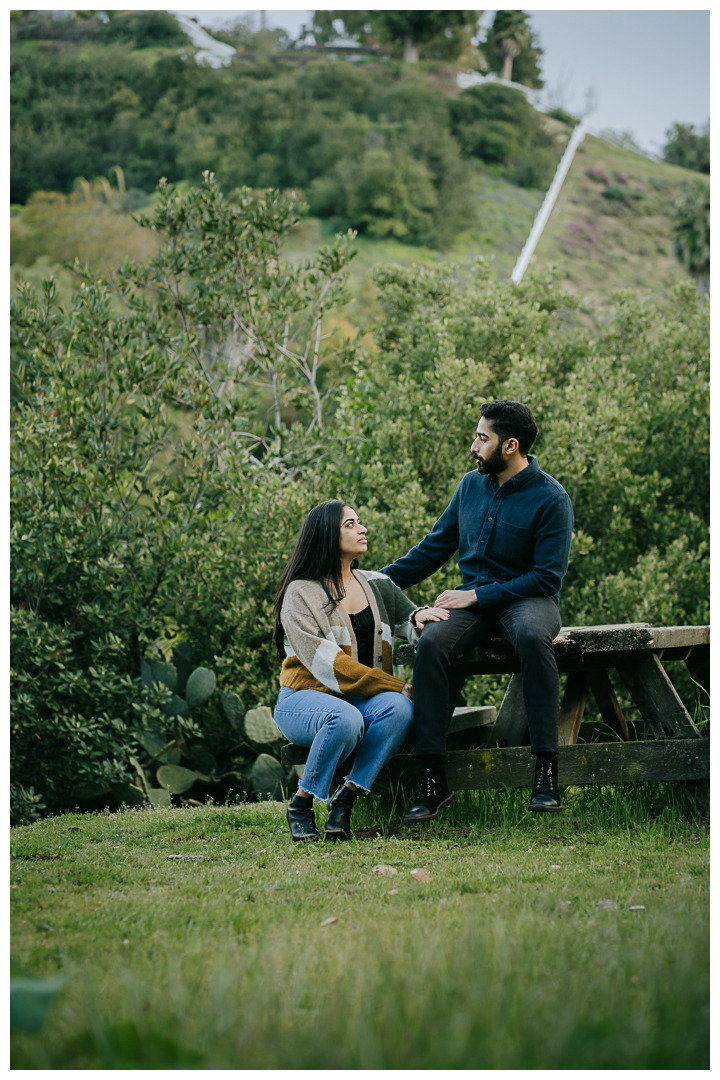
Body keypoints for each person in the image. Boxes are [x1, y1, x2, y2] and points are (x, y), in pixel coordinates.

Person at [380, 399, 574, 820]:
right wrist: (372, 583)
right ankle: (431, 777)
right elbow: (433, 548)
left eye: (482, 438)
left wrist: (476, 596)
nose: (473, 446)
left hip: (530, 601)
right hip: (474, 604)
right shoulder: (470, 486)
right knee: (431, 641)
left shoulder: (551, 499)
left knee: (529, 636)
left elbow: (547, 578)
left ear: (510, 446)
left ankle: (546, 769)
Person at [273, 499, 449, 842]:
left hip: (355, 699)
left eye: (360, 521)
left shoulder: (377, 583)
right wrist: (392, 684)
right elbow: (329, 666)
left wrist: (421, 618)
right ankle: (302, 803)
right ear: (326, 535)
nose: (362, 528)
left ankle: (346, 799)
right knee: (346, 719)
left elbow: (407, 620)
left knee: (400, 708)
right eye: (350, 524)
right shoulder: (300, 594)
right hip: (303, 700)